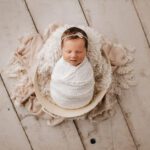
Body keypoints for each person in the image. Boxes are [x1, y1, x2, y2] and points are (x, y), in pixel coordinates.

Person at [50, 27, 95, 109]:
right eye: (68, 51)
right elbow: (55, 79)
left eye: (78, 52)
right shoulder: (60, 64)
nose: (73, 55)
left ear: (86, 51)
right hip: (60, 98)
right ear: (62, 50)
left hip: (83, 100)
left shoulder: (87, 66)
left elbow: (89, 81)